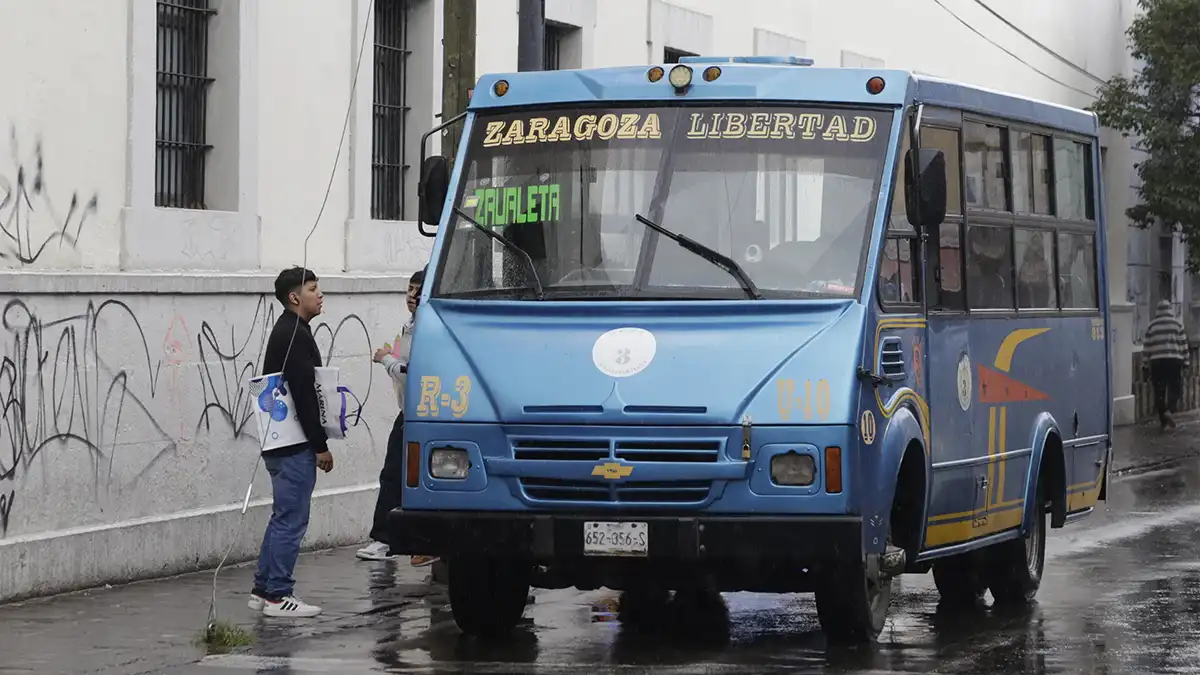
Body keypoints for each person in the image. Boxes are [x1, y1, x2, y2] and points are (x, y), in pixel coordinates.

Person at [247, 267, 334, 618]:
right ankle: (278, 595)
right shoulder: (295, 334)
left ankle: (263, 589)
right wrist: (320, 445)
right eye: (313, 289)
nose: (320, 294)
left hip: (278, 443)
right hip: (293, 443)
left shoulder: (288, 329)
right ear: (294, 297)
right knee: (291, 519)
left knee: (282, 517)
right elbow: (304, 393)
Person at [356, 267, 439, 568]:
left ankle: (389, 540)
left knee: (400, 475)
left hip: (424, 414)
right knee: (393, 474)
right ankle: (388, 539)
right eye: (409, 289)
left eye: (419, 290)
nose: (413, 296)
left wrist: (386, 359)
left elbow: (414, 373)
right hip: (409, 412)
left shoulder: (430, 328)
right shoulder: (409, 326)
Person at [1144, 299, 1190, 429]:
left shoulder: (1152, 326)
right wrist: (1186, 362)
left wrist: (1145, 365)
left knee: (1159, 391)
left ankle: (1163, 421)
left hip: (1157, 362)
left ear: (1158, 311)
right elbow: (1183, 345)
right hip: (1174, 360)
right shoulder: (1177, 324)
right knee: (1176, 388)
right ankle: (1170, 410)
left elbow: (1147, 347)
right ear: (1170, 310)